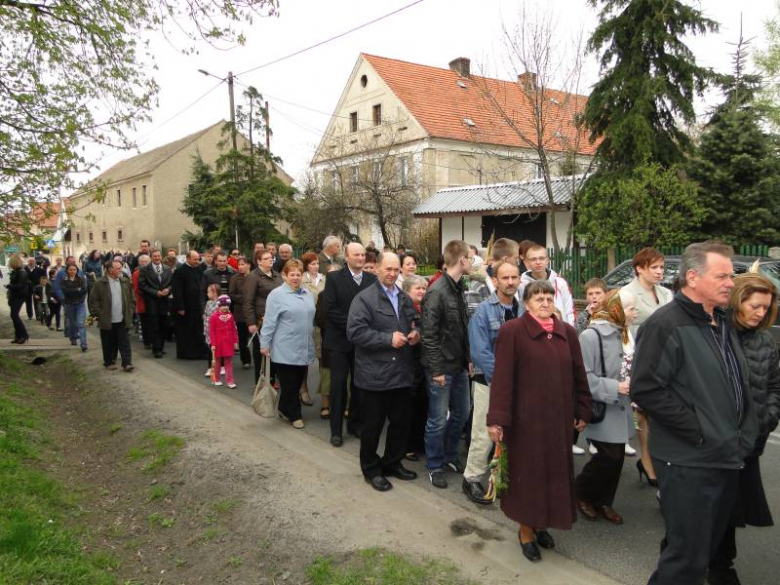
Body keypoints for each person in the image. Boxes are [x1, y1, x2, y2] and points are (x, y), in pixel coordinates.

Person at [630, 241, 759, 585]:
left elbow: (733, 383)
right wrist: (700, 430)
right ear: (692, 277)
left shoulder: (721, 321)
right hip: (689, 461)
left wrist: (743, 432)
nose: (731, 283)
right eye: (722, 276)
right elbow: (646, 389)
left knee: (696, 553)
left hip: (724, 456)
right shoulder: (665, 325)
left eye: (731, 276)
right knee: (687, 560)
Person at [487, 280, 592, 562]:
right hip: (525, 423)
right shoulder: (513, 331)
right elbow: (502, 379)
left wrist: (583, 409)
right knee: (530, 478)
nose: (545, 303)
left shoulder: (566, 332)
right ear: (526, 303)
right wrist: (497, 419)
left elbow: (579, 375)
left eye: (548, 298)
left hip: (558, 421)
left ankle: (543, 523)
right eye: (538, 298)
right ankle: (526, 531)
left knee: (553, 475)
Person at [707, 273, 780, 585]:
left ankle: (721, 564)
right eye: (755, 306)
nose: (761, 313)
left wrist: (767, 418)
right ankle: (694, 560)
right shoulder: (715, 336)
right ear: (737, 302)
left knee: (732, 508)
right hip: (715, 443)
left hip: (750, 443)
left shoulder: (765, 341)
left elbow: (774, 386)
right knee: (712, 507)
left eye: (766, 308)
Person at [347, 253, 420, 491]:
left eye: (396, 270)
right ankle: (371, 469)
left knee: (400, 423)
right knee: (372, 427)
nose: (392, 274)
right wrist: (387, 339)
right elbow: (355, 332)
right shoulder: (364, 298)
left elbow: (415, 321)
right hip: (375, 375)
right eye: (388, 269)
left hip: (402, 373)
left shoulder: (403, 297)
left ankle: (392, 463)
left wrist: (416, 333)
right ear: (377, 268)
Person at [575, 289, 638, 525]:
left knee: (617, 457)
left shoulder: (626, 332)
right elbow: (583, 376)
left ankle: (603, 501)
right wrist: (615, 387)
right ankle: (581, 493)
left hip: (621, 406)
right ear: (616, 309)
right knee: (609, 456)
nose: (635, 312)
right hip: (601, 407)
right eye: (631, 308)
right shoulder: (591, 336)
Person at [463, 260, 522, 505]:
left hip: (519, 384)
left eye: (514, 277)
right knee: (484, 433)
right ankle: (472, 478)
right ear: (495, 281)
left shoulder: (523, 310)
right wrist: (504, 379)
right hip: (489, 383)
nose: (510, 282)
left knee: (512, 433)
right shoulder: (483, 312)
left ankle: (503, 477)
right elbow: (480, 353)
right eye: (505, 278)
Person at [421, 240, 472, 489]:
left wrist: (468, 359)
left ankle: (450, 455)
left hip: (459, 366)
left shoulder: (459, 287)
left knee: (462, 412)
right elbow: (428, 335)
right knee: (438, 419)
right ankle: (434, 464)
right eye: (470, 257)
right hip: (441, 368)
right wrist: (437, 370)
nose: (472, 262)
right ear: (462, 260)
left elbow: (462, 327)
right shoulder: (437, 290)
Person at [622, 248, 674, 483]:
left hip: (667, 361)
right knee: (642, 413)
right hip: (639, 359)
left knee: (663, 414)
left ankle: (661, 460)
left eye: (661, 267)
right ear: (639, 269)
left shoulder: (667, 293)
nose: (660, 271)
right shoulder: (627, 293)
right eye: (654, 267)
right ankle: (646, 459)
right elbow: (622, 327)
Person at [321, 243, 378, 447]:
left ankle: (355, 424)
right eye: (356, 255)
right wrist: (355, 325)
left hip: (362, 343)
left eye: (363, 255)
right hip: (339, 341)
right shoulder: (334, 278)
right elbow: (329, 309)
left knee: (359, 385)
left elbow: (375, 307)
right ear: (346, 257)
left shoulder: (372, 279)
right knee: (338, 386)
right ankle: (336, 430)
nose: (360, 258)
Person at [260, 259, 316, 429]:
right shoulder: (276, 295)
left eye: (298, 274)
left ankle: (284, 408)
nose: (295, 278)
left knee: (298, 382)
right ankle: (295, 415)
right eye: (291, 274)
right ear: (284, 276)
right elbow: (269, 321)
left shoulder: (306, 293)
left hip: (304, 346)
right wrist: (264, 343)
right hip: (284, 347)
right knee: (290, 383)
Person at [244, 249, 284, 383]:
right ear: (259, 262)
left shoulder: (277, 275)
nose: (270, 260)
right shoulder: (253, 277)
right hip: (261, 320)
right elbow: (248, 301)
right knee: (261, 352)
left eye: (271, 257)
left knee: (275, 351)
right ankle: (261, 382)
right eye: (266, 258)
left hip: (278, 319)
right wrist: (251, 323)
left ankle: (272, 379)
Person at [89, 259, 135, 372]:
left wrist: (130, 311)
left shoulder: (125, 281)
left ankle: (127, 363)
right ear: (110, 270)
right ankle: (109, 362)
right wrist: (99, 314)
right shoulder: (100, 284)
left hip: (122, 318)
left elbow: (132, 299)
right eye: (118, 268)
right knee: (108, 342)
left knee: (124, 342)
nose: (121, 270)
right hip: (107, 319)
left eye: (121, 268)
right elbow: (93, 301)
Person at [401, 275, 428, 462]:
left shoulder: (423, 307)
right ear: (407, 290)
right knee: (408, 407)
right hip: (408, 362)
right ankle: (407, 446)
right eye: (417, 288)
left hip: (421, 363)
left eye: (424, 288)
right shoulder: (404, 308)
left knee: (421, 405)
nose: (421, 291)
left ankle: (418, 443)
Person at [518, 244, 575, 326]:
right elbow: (520, 312)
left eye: (541, 258)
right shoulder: (521, 285)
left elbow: (570, 311)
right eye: (533, 259)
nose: (538, 262)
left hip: (561, 330)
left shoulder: (560, 283)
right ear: (526, 262)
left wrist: (569, 330)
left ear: (547, 260)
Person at [171, 250, 209, 360]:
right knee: (186, 331)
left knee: (198, 330)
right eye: (194, 259)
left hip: (197, 306)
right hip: (185, 307)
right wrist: (180, 307)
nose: (197, 261)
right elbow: (177, 291)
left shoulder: (198, 269)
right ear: (188, 259)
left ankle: (199, 352)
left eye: (198, 259)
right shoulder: (180, 271)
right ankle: (187, 354)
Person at [137, 249, 173, 358]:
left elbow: (172, 283)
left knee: (163, 325)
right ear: (151, 257)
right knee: (154, 325)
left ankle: (161, 347)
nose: (157, 258)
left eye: (158, 256)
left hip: (164, 301)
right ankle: (156, 349)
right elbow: (142, 285)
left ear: (161, 256)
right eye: (154, 256)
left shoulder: (167, 269)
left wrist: (168, 290)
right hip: (152, 301)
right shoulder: (144, 269)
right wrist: (155, 292)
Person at [301, 252, 326, 406]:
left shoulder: (325, 279)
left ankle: (325, 394)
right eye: (312, 264)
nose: (316, 266)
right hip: (306, 323)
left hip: (322, 324)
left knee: (323, 358)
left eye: (317, 263)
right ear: (306, 266)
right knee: (305, 359)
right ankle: (303, 389)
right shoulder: (301, 280)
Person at [208, 295, 239, 388]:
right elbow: (212, 332)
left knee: (228, 362)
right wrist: (213, 344)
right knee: (217, 362)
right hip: (218, 343)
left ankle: (230, 381)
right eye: (223, 305)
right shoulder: (213, 317)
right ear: (219, 305)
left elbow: (234, 329)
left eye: (227, 305)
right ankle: (217, 379)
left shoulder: (231, 316)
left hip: (228, 343)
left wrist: (235, 341)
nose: (225, 307)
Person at [228, 256, 252, 370]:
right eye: (239, 264)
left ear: (249, 265)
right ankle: (246, 360)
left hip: (254, 312)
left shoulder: (254, 277)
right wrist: (246, 299)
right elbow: (232, 294)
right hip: (240, 312)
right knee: (242, 338)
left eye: (243, 264)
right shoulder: (235, 278)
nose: (240, 267)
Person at [61, 264, 88, 351]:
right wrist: (77, 290)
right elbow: (66, 291)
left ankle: (84, 344)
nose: (73, 271)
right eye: (71, 270)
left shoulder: (81, 279)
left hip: (80, 304)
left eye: (74, 269)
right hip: (69, 305)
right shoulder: (64, 280)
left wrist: (75, 291)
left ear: (77, 270)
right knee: (72, 323)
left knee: (81, 324)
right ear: (67, 271)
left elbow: (84, 290)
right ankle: (73, 338)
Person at [6, 254, 29, 343]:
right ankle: (18, 336)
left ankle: (23, 335)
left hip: (19, 296)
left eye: (10, 263)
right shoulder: (16, 271)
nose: (10, 265)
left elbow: (20, 285)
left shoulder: (21, 272)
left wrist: (10, 286)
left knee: (14, 315)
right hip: (15, 296)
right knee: (14, 315)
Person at [132, 254, 150, 348]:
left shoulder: (153, 271)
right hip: (142, 300)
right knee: (144, 322)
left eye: (145, 262)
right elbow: (136, 289)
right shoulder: (136, 273)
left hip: (153, 301)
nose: (143, 263)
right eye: (142, 262)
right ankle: (146, 342)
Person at [203, 284, 220, 378]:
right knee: (210, 349)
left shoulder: (219, 304)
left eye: (208, 292)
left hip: (216, 330)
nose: (207, 294)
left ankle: (213, 367)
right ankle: (212, 367)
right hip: (208, 329)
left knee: (215, 350)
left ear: (214, 293)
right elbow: (206, 313)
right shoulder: (208, 303)